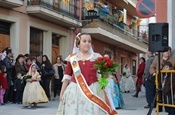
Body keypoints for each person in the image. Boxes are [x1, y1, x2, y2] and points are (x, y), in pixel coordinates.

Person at [56, 33, 117, 115]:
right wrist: (62, 92)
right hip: (75, 90)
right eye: (84, 41)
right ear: (78, 43)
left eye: (89, 41)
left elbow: (103, 76)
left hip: (93, 90)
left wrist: (107, 70)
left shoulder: (96, 57)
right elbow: (67, 76)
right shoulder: (72, 58)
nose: (87, 43)